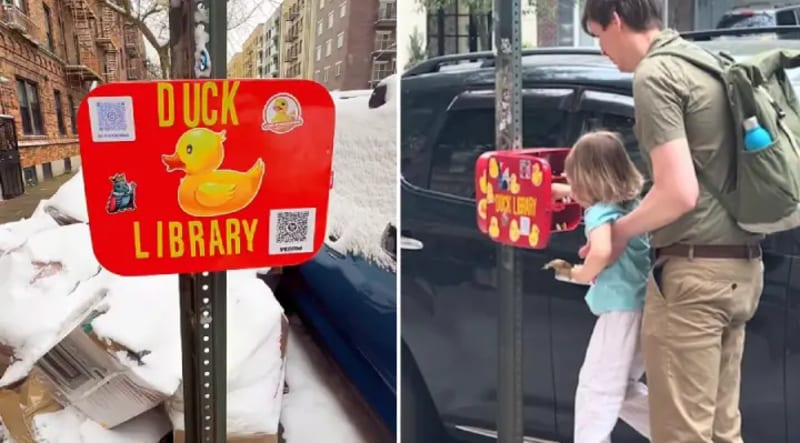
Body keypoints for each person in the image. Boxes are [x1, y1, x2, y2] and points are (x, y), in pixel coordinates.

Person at [580, 1, 765, 442]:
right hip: (741, 268)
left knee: (682, 434)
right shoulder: (705, 62)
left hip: (694, 277)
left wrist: (619, 231)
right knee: (721, 431)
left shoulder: (655, 75)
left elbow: (679, 192)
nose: (601, 50)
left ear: (616, 21)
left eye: (598, 36)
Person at [551, 131, 651, 443]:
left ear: (589, 181)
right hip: (644, 305)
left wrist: (580, 274)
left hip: (619, 310)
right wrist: (557, 190)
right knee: (622, 389)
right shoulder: (631, 204)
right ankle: (681, 432)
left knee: (596, 390)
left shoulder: (598, 213)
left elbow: (602, 250)